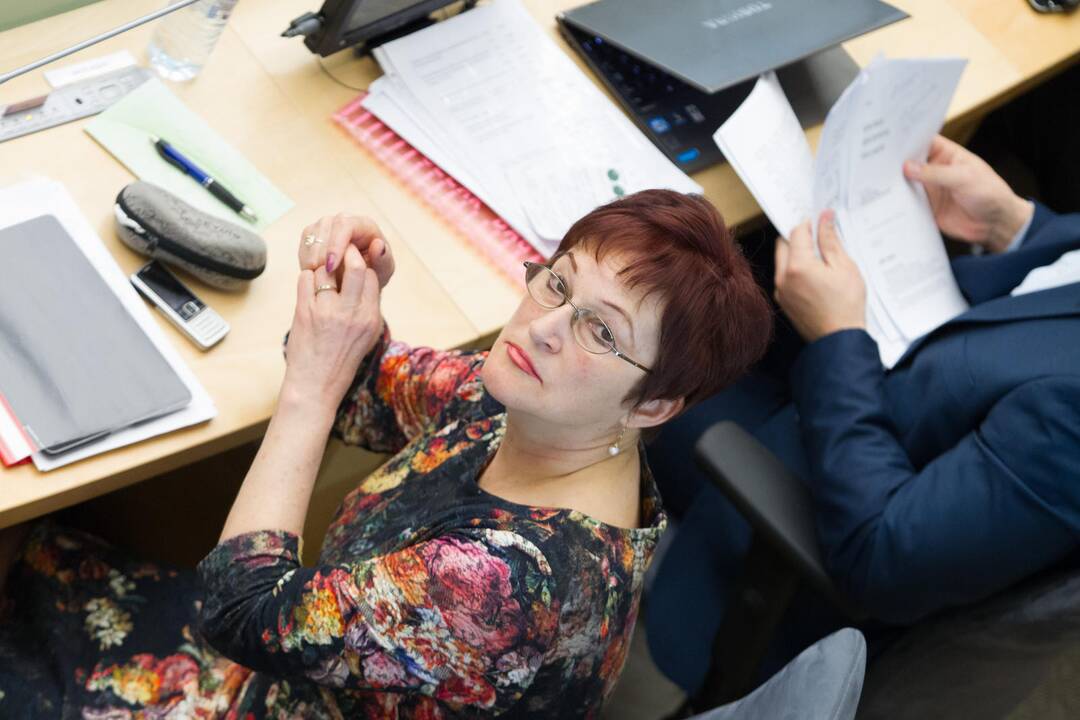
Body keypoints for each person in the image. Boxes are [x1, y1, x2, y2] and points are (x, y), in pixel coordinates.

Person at [0, 189, 773, 718]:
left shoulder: (506, 582)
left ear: (656, 404)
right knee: (28, 562)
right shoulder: (534, 406)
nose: (544, 326)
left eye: (601, 332)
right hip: (287, 658)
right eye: (557, 284)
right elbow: (366, 384)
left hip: (264, 666)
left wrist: (309, 387)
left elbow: (238, 613)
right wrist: (357, 288)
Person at [645, 134, 1080, 695]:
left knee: (643, 340)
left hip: (810, 490)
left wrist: (837, 338)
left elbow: (883, 558)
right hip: (892, 377)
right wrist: (1015, 226)